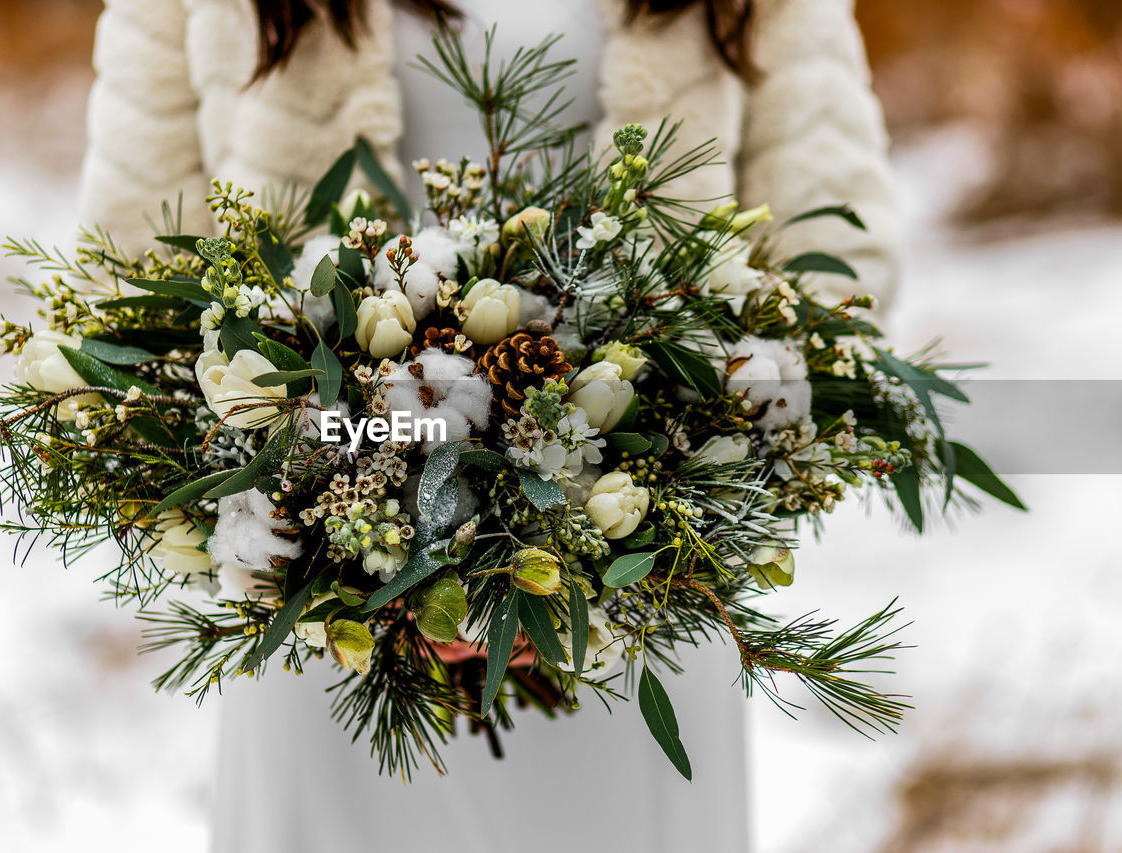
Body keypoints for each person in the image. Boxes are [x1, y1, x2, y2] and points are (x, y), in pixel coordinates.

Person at [76, 1, 900, 850]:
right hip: (331, 616)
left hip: (628, 603)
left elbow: (833, 267)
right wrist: (352, 562)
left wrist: (629, 533)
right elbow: (131, 276)